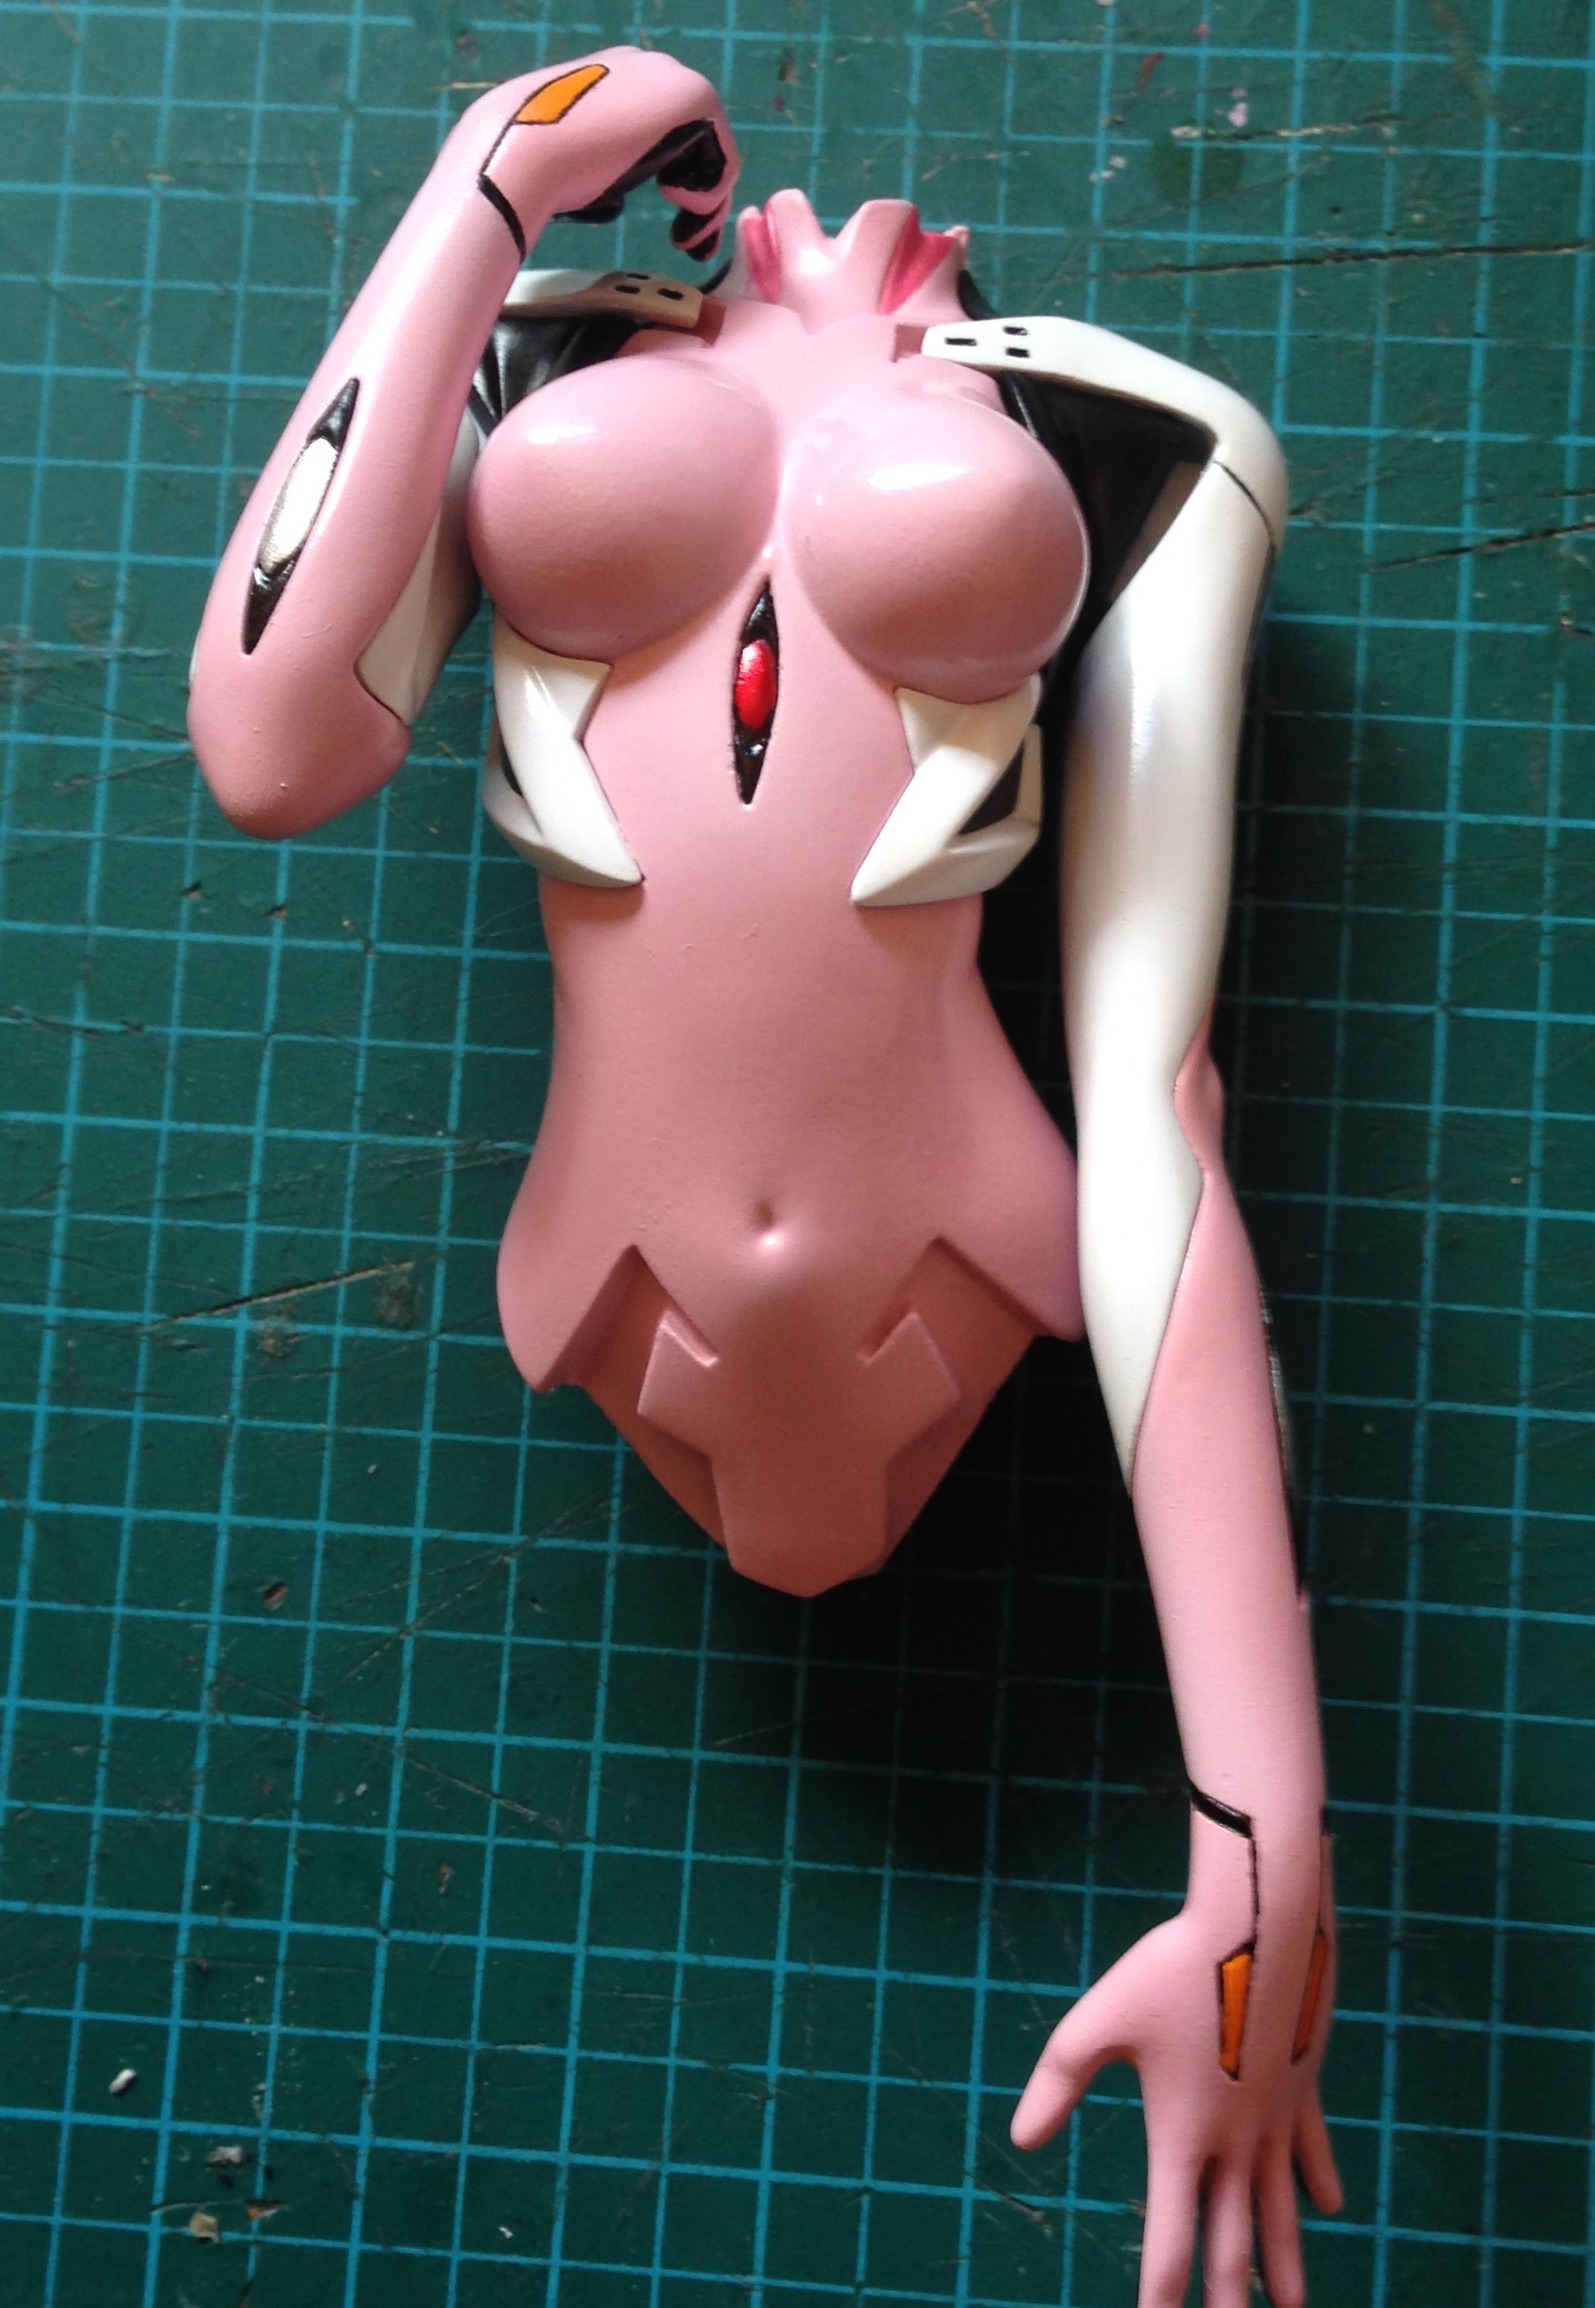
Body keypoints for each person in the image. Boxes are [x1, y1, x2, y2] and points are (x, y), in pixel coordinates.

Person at [187, 46, 1340, 2308]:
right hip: (619, 1287)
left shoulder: (1144, 434)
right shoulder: (522, 353)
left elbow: (1153, 1096)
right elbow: (271, 741)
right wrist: (490, 178)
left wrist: (1259, 1836)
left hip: (952, 1288)